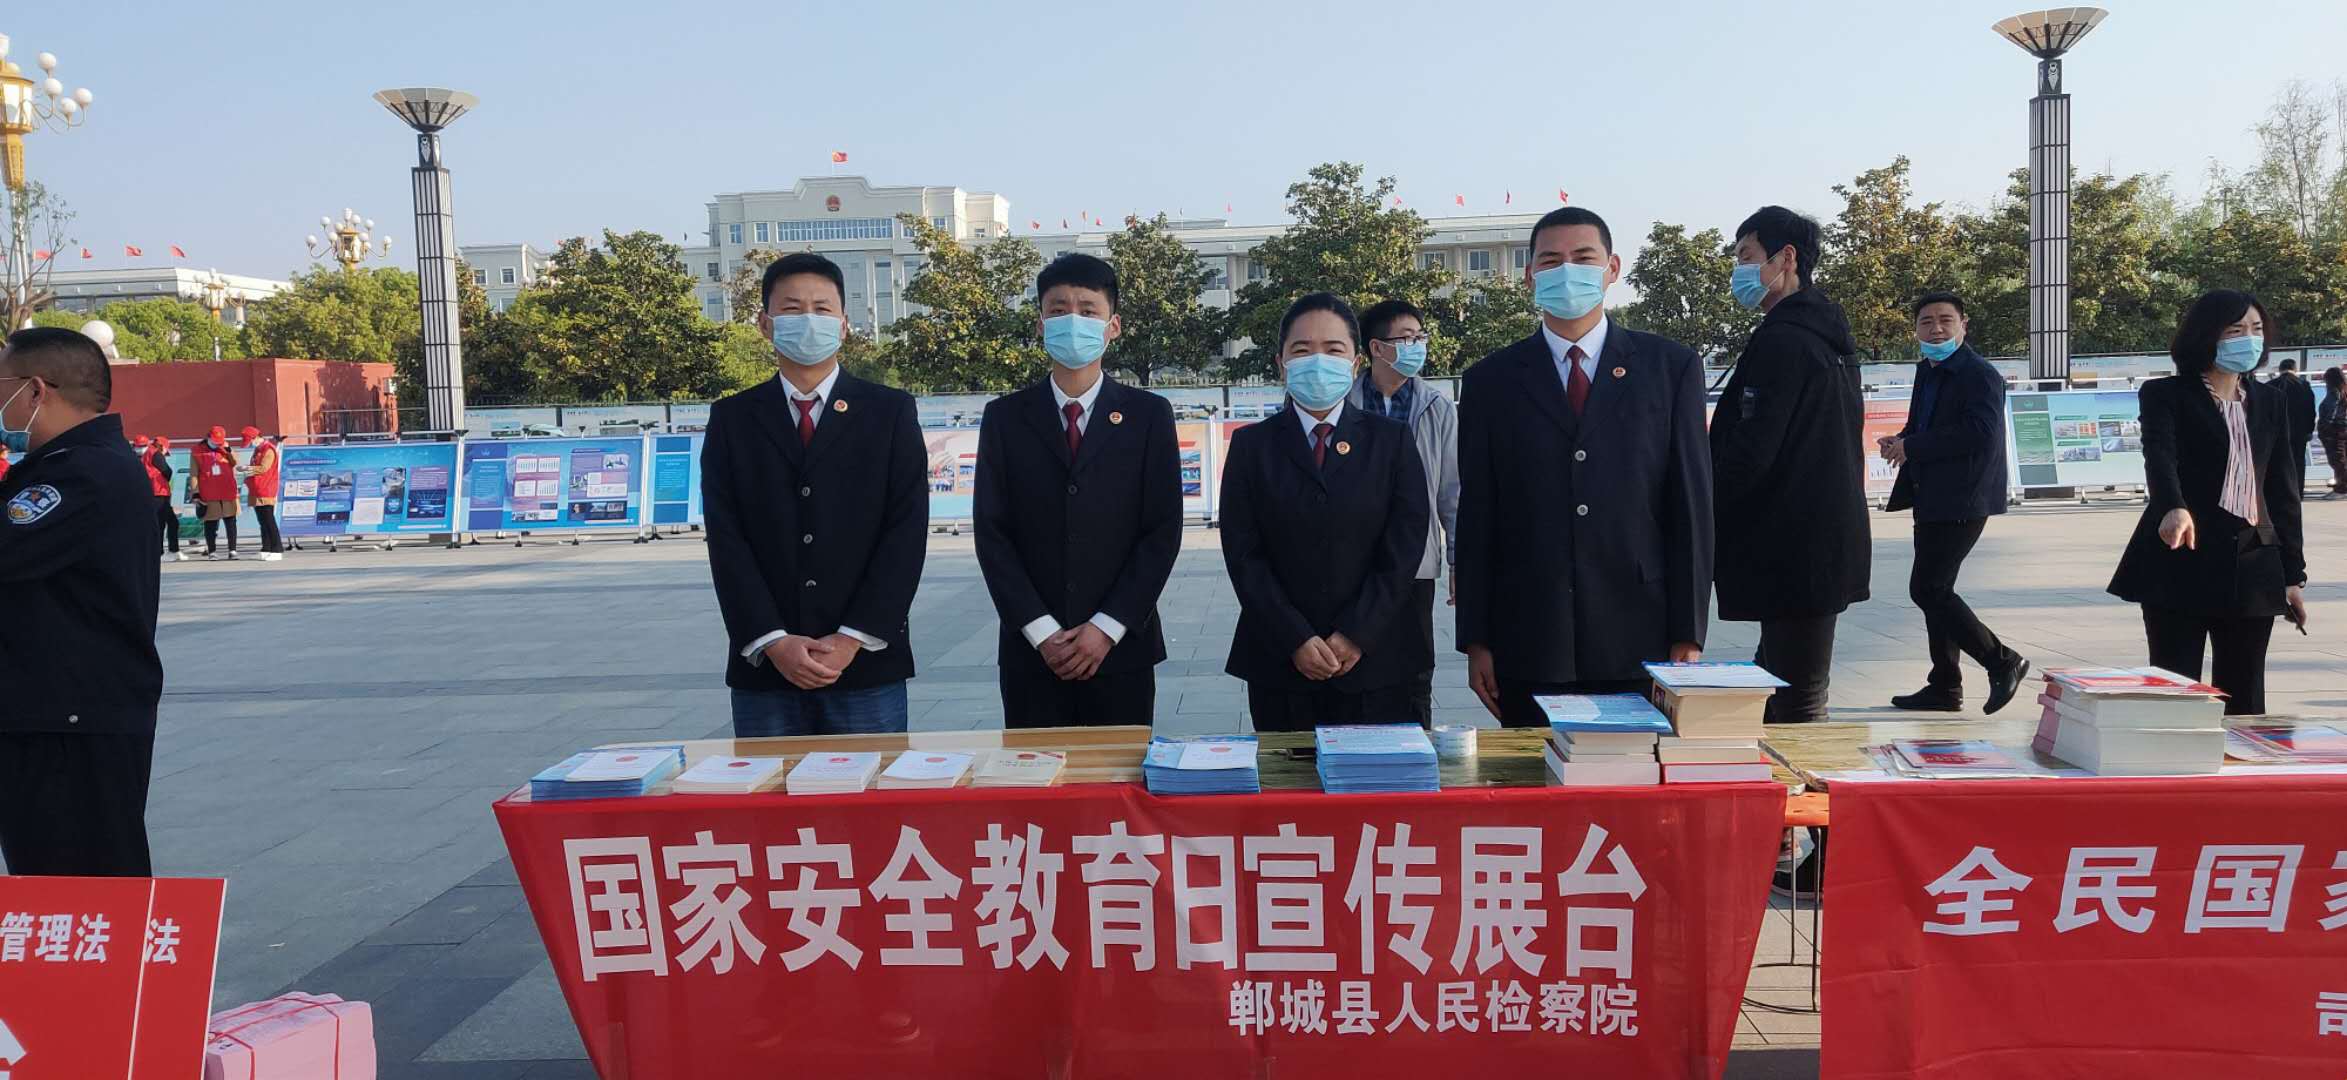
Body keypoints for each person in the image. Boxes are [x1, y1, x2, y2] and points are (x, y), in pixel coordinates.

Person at [1456, 206, 1713, 726]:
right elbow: (1479, 515)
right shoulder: (1490, 381)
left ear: (1612, 268)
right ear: (1529, 275)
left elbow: (1690, 507)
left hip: (1639, 634)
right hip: (1528, 637)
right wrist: (1476, 639)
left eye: (1583, 257)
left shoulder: (1670, 368)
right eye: (1551, 261)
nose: (1566, 271)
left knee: (1632, 775)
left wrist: (1688, 633)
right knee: (1530, 776)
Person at [702, 252, 927, 736]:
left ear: (843, 325)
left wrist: (851, 639)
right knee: (769, 789)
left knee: (872, 788)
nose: (808, 319)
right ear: (765, 324)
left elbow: (905, 534)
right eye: (791, 308)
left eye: (822, 309)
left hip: (865, 667)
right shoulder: (732, 419)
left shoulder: (889, 413)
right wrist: (773, 641)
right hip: (766, 670)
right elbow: (726, 539)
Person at [974, 254, 1182, 728]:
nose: (1073, 320)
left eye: (1088, 311)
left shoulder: (1149, 416)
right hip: (1031, 655)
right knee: (1034, 774)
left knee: (1119, 775)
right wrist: (1041, 631)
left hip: (1121, 651)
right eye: (1059, 309)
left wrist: (1106, 628)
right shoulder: (1005, 418)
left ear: (1113, 326)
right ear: (1040, 324)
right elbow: (992, 534)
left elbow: (1161, 531)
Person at [1220, 293, 1431, 730]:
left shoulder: (1391, 441)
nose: (1317, 361)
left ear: (1355, 362)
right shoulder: (1251, 446)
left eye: (1333, 349)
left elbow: (1404, 547)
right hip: (1280, 664)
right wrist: (1294, 637)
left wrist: (1357, 633)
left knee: (1376, 775)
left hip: (1377, 662)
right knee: (1287, 773)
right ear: (1281, 364)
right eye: (1302, 349)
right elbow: (1244, 555)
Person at [0, 327, 164, 876]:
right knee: (63, 885)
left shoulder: (81, 474)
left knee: (82, 889)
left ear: (35, 390)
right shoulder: (71, 466)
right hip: (57, 713)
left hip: (68, 721)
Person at [2109, 290, 2307, 716]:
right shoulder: (2165, 394)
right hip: (2183, 555)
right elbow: (2160, 455)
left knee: (2245, 695)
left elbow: (2282, 491)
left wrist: (2293, 574)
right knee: (2175, 690)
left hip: (2253, 563)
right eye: (2236, 330)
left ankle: (2241, 759)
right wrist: (2173, 506)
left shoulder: (2271, 401)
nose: (2249, 338)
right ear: (2206, 335)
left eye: (2256, 329)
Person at [1710, 206, 1870, 724]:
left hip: (1794, 543)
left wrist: (1700, 503)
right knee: (1777, 688)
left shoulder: (1785, 340)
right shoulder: (1825, 334)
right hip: (1819, 537)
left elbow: (1753, 447)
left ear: (1786, 258)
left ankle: (1810, 781)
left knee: (1798, 703)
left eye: (1747, 256)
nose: (1739, 270)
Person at [1881, 291, 2031, 713]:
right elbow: (1922, 423)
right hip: (1931, 492)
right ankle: (1945, 685)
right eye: (1926, 321)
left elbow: (1980, 432)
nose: (1936, 329)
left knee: (1928, 589)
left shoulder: (1979, 375)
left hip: (1964, 495)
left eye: (1945, 320)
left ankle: (2002, 661)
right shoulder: (1927, 370)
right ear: (1915, 329)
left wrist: (1914, 446)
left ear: (1964, 324)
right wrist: (1901, 440)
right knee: (1938, 589)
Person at [1348, 298, 1460, 724]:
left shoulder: (1437, 407)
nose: (1417, 346)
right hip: (1351, 563)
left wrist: (1458, 562)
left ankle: (1414, 745)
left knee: (1413, 673)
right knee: (1355, 665)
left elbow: (1453, 492)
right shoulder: (1344, 400)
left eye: (1420, 337)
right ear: (1377, 348)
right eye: (1406, 338)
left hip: (1415, 565)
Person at [191, 425, 242, 560]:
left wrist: (228, 451)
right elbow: (194, 474)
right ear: (208, 437)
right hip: (209, 493)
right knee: (210, 523)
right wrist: (196, 493)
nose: (217, 443)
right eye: (215, 441)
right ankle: (212, 551)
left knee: (231, 521)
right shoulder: (197, 451)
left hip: (227, 491)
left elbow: (235, 463)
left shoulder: (225, 448)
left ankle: (233, 550)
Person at [240, 426, 284, 561]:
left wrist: (247, 468)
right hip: (256, 489)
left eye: (250, 441)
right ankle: (266, 548)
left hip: (266, 489)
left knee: (269, 520)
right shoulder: (258, 450)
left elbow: (264, 468)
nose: (250, 444)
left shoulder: (268, 449)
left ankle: (277, 549)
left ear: (256, 437)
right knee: (262, 522)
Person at [2272, 358, 2316, 494]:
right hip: (2300, 432)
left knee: (2277, 461)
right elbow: (2311, 410)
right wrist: (2309, 430)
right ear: (2295, 369)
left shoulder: (2271, 385)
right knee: (2298, 461)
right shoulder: (2304, 385)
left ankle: (2280, 491)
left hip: (2277, 431)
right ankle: (2298, 491)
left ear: (2280, 369)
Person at [2319, 366, 2346, 497]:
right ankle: (2340, 486)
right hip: (2343, 428)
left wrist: (2326, 425)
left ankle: (2342, 489)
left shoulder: (2334, 392)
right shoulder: (2344, 390)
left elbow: (2331, 410)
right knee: (2342, 459)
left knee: (2337, 460)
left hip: (2334, 430)